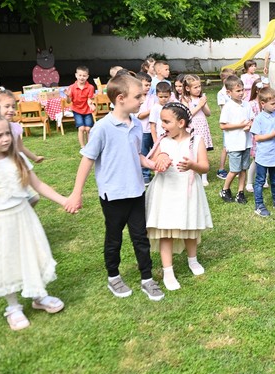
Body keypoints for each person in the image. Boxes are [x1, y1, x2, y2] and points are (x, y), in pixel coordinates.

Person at [0, 112, 72, 330]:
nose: (6, 138)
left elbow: (39, 186)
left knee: (31, 254)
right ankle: (13, 307)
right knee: (6, 262)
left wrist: (64, 201)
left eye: (7, 133)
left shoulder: (18, 158)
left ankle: (38, 295)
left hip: (24, 217)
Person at [64, 74, 164, 301]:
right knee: (114, 237)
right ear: (120, 98)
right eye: (138, 96)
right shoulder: (102, 128)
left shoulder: (137, 124)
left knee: (140, 237)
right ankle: (113, 276)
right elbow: (87, 159)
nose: (142, 100)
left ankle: (147, 278)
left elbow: (136, 155)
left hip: (136, 191)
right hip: (113, 195)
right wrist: (76, 193)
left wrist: (151, 163)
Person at [145, 102, 212, 291]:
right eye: (161, 122)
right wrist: (161, 159)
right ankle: (168, 271)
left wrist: (192, 166)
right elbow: (155, 159)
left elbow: (205, 166)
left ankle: (193, 260)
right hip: (166, 190)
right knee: (165, 229)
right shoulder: (162, 141)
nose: (162, 126)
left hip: (187, 189)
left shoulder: (196, 140)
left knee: (189, 225)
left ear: (181, 123)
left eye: (166, 122)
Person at [250, 86, 275, 217]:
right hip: (263, 156)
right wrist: (273, 134)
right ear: (263, 104)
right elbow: (257, 138)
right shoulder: (259, 118)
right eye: (272, 104)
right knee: (260, 180)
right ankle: (259, 204)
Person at [218, 76, 254, 204]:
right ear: (229, 92)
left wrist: (249, 125)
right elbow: (223, 125)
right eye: (237, 91)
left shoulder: (247, 105)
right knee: (234, 170)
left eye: (242, 90)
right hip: (234, 144)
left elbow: (251, 119)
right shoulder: (228, 107)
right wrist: (240, 125)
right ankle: (225, 189)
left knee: (244, 169)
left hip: (246, 142)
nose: (241, 93)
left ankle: (240, 192)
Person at [0, 88, 44, 165]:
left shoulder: (15, 127)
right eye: (7, 106)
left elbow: (20, 147)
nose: (11, 110)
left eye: (13, 107)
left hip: (16, 163)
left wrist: (35, 158)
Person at [182, 74, 213, 186]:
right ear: (187, 88)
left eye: (199, 86)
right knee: (192, 150)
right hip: (193, 127)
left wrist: (203, 103)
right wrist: (199, 105)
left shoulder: (200, 99)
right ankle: (192, 172)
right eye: (195, 87)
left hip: (202, 127)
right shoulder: (186, 99)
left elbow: (208, 113)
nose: (198, 89)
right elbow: (188, 114)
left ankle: (204, 176)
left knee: (202, 151)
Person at [66, 65, 96, 148]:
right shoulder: (72, 87)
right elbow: (68, 102)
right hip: (77, 110)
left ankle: (89, 145)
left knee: (88, 129)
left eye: (84, 76)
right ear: (76, 75)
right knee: (81, 128)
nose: (82, 77)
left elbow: (89, 99)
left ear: (87, 76)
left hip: (87, 110)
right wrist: (68, 96)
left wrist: (91, 105)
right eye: (80, 75)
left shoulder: (90, 87)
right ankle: (83, 146)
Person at [216, 69, 236, 179]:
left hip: (236, 122)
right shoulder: (221, 93)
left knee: (234, 146)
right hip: (228, 123)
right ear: (224, 80)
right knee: (226, 147)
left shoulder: (233, 91)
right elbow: (224, 109)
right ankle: (221, 169)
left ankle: (234, 168)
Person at [136, 72, 156, 184]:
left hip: (153, 130)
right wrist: (152, 110)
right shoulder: (136, 98)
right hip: (142, 130)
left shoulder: (152, 97)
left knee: (155, 151)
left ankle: (158, 172)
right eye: (146, 85)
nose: (148, 87)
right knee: (143, 152)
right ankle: (145, 175)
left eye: (149, 85)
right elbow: (139, 115)